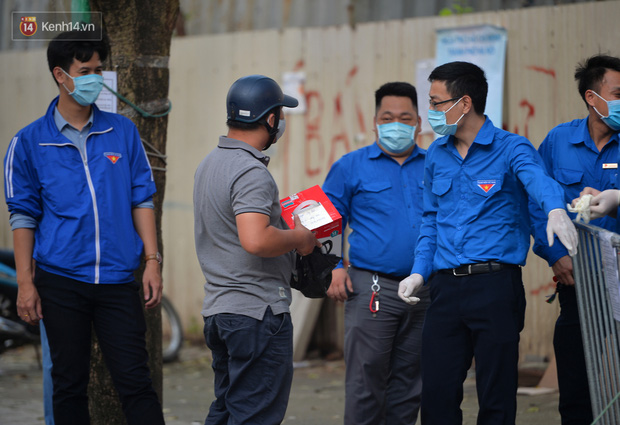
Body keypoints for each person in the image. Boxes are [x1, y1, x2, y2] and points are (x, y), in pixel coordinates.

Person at [397, 61, 578, 425]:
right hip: (445, 289)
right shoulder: (437, 154)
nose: (429, 112)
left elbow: (537, 180)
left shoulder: (511, 147)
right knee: (437, 395)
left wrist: (556, 209)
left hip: (494, 287)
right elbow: (431, 219)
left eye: (435, 102)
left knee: (496, 397)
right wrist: (419, 271)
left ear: (464, 104)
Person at [3, 30, 165, 425]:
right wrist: (26, 283)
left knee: (135, 382)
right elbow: (23, 215)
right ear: (61, 75)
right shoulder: (28, 143)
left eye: (98, 69)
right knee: (69, 384)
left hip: (117, 280)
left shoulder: (122, 132)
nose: (95, 77)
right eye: (85, 70)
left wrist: (152, 261)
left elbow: (141, 198)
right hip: (60, 282)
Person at [193, 74, 320, 424]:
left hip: (220, 311)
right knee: (255, 415)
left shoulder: (209, 164)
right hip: (256, 313)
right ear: (269, 119)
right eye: (280, 114)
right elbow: (256, 239)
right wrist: (300, 238)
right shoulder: (250, 172)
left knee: (227, 408)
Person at [322, 81, 429, 425]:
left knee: (411, 383)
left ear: (418, 122)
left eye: (404, 116)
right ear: (375, 121)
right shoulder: (350, 166)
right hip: (372, 288)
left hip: (426, 289)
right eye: (388, 117)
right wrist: (335, 267)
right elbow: (326, 222)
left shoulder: (435, 165)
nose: (396, 123)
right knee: (365, 381)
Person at [529, 54, 620, 425]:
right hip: (577, 279)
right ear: (591, 97)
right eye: (618, 93)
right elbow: (536, 202)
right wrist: (554, 255)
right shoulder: (558, 141)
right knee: (576, 376)